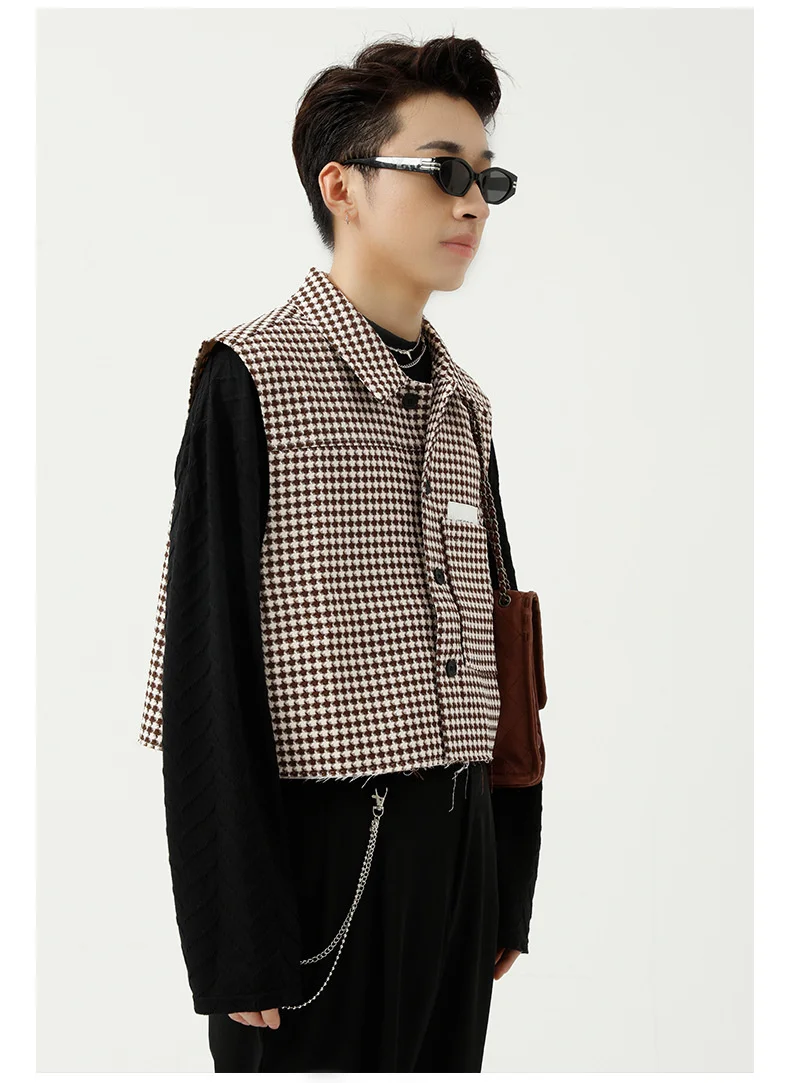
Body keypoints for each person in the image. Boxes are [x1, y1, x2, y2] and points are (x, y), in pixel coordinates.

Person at [139, 33, 544, 1073]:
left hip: (459, 851)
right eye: (443, 171)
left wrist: (507, 871)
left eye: (487, 178)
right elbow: (207, 672)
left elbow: (505, 640)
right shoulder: (252, 377)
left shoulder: (465, 404)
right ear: (342, 186)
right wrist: (234, 937)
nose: (472, 203)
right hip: (325, 862)